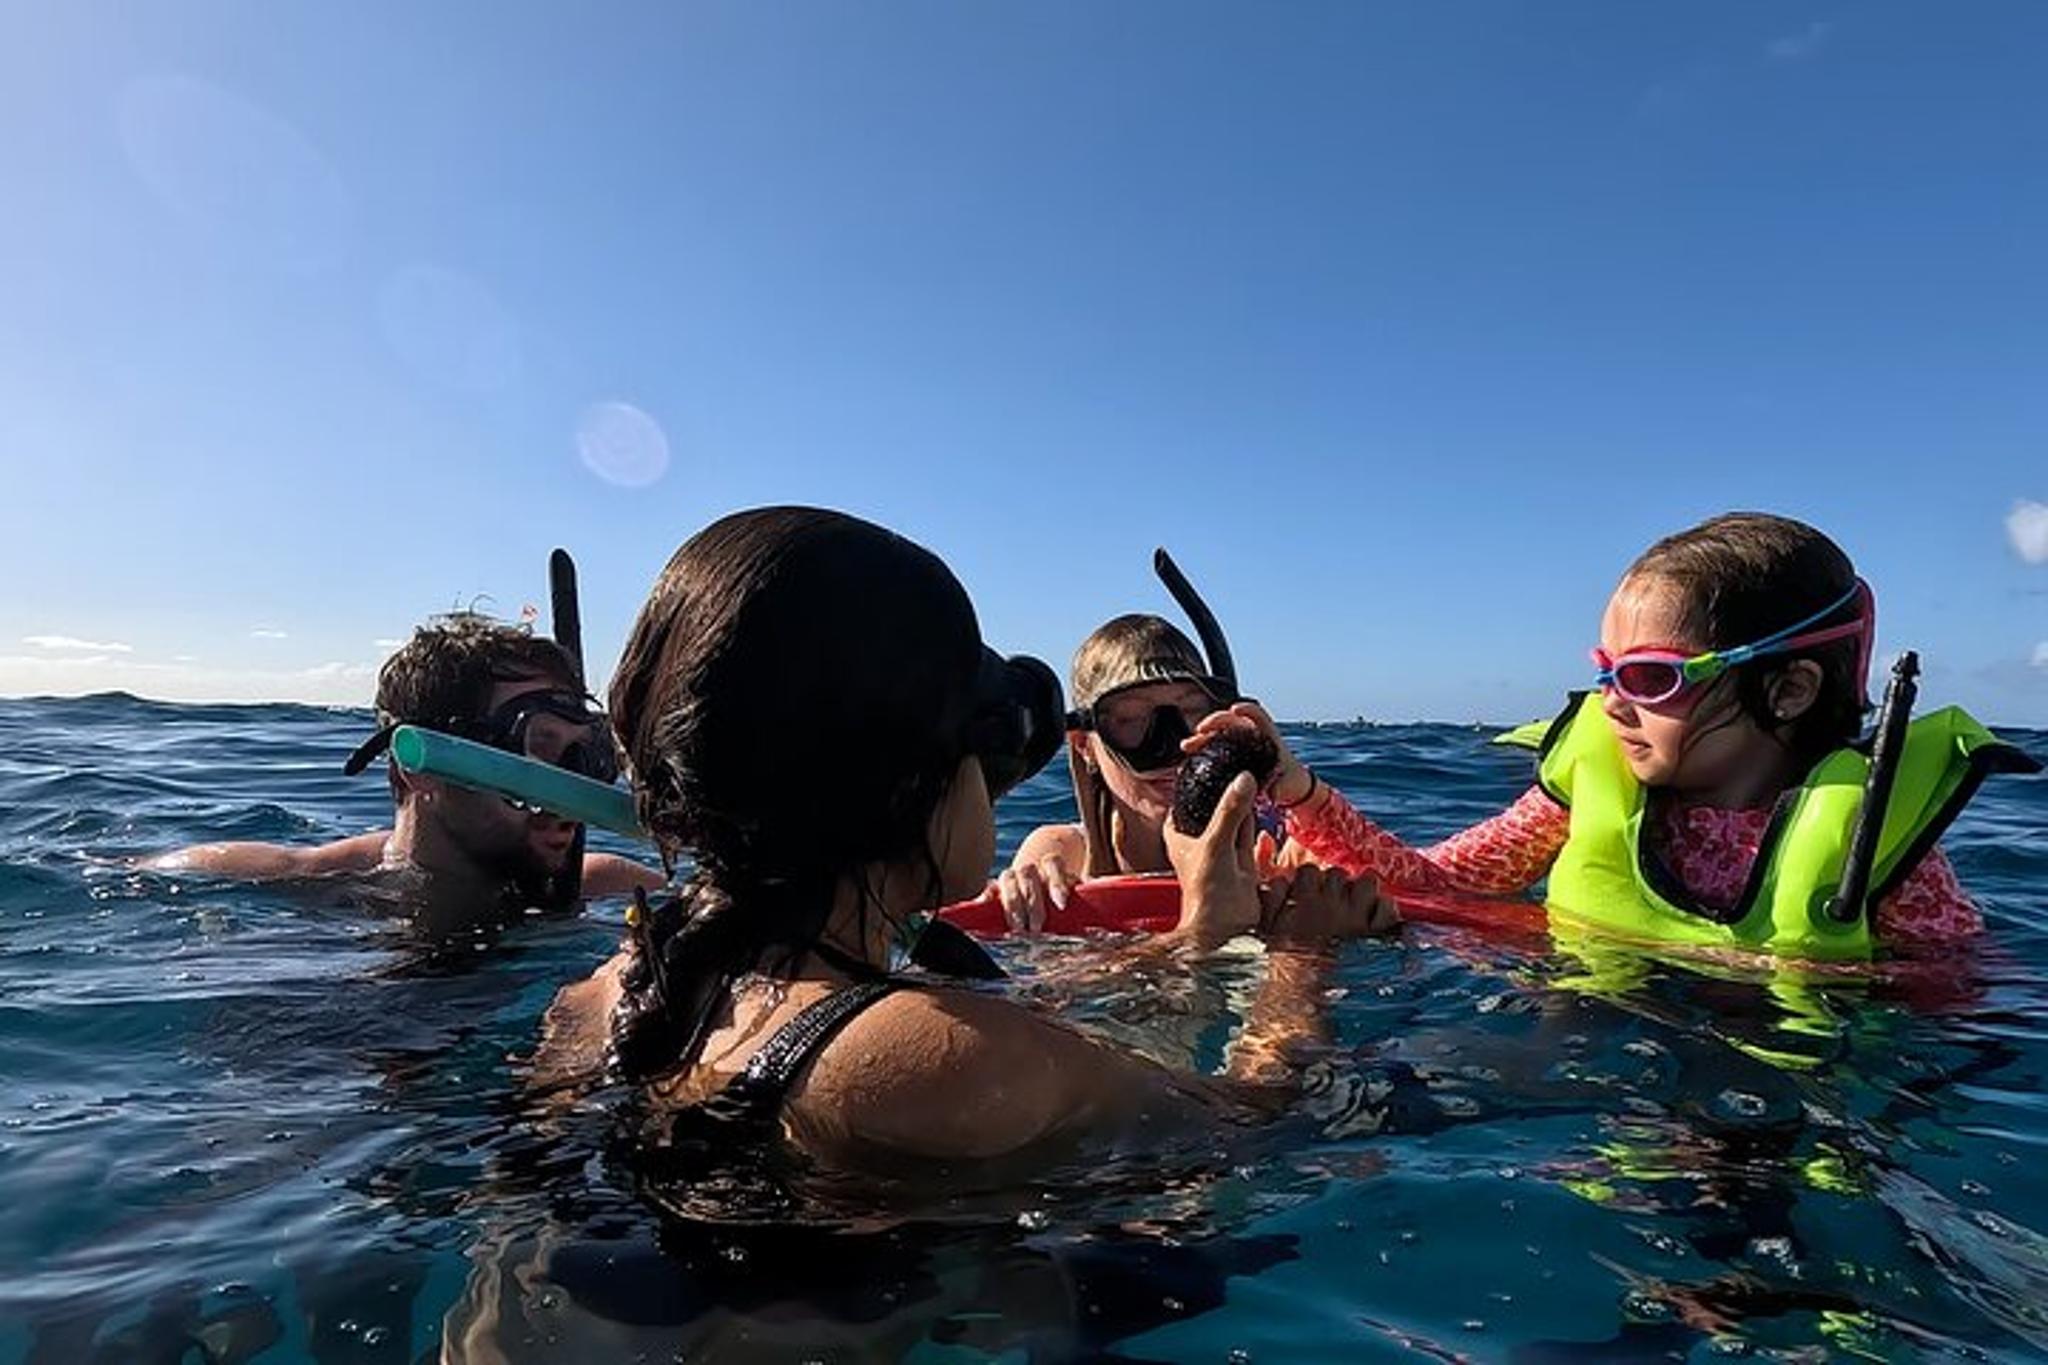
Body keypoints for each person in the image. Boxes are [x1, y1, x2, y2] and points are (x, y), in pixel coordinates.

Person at [535, 506, 1397, 1175]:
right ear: (913, 781)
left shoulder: (611, 989)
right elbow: (1255, 1128)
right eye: (983, 753)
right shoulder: (950, 1058)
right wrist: (1298, 962)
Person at [1189, 512, 2036, 960]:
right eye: (1605, 671)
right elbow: (1437, 885)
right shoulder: (1593, 793)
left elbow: (1954, 1002)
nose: (1612, 704)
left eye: (1651, 676)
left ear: (1788, 687)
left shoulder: (1881, 861)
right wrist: (1295, 787)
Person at [148, 615, 664, 927]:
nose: (568, 793)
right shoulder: (285, 882)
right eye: (538, 745)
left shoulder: (611, 887)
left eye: (586, 755)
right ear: (420, 767)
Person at [995, 613, 1303, 931]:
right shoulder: (1063, 855)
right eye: (1130, 718)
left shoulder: (1274, 848)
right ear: (1085, 744)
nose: (1174, 745)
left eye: (1192, 712)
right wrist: (1028, 913)